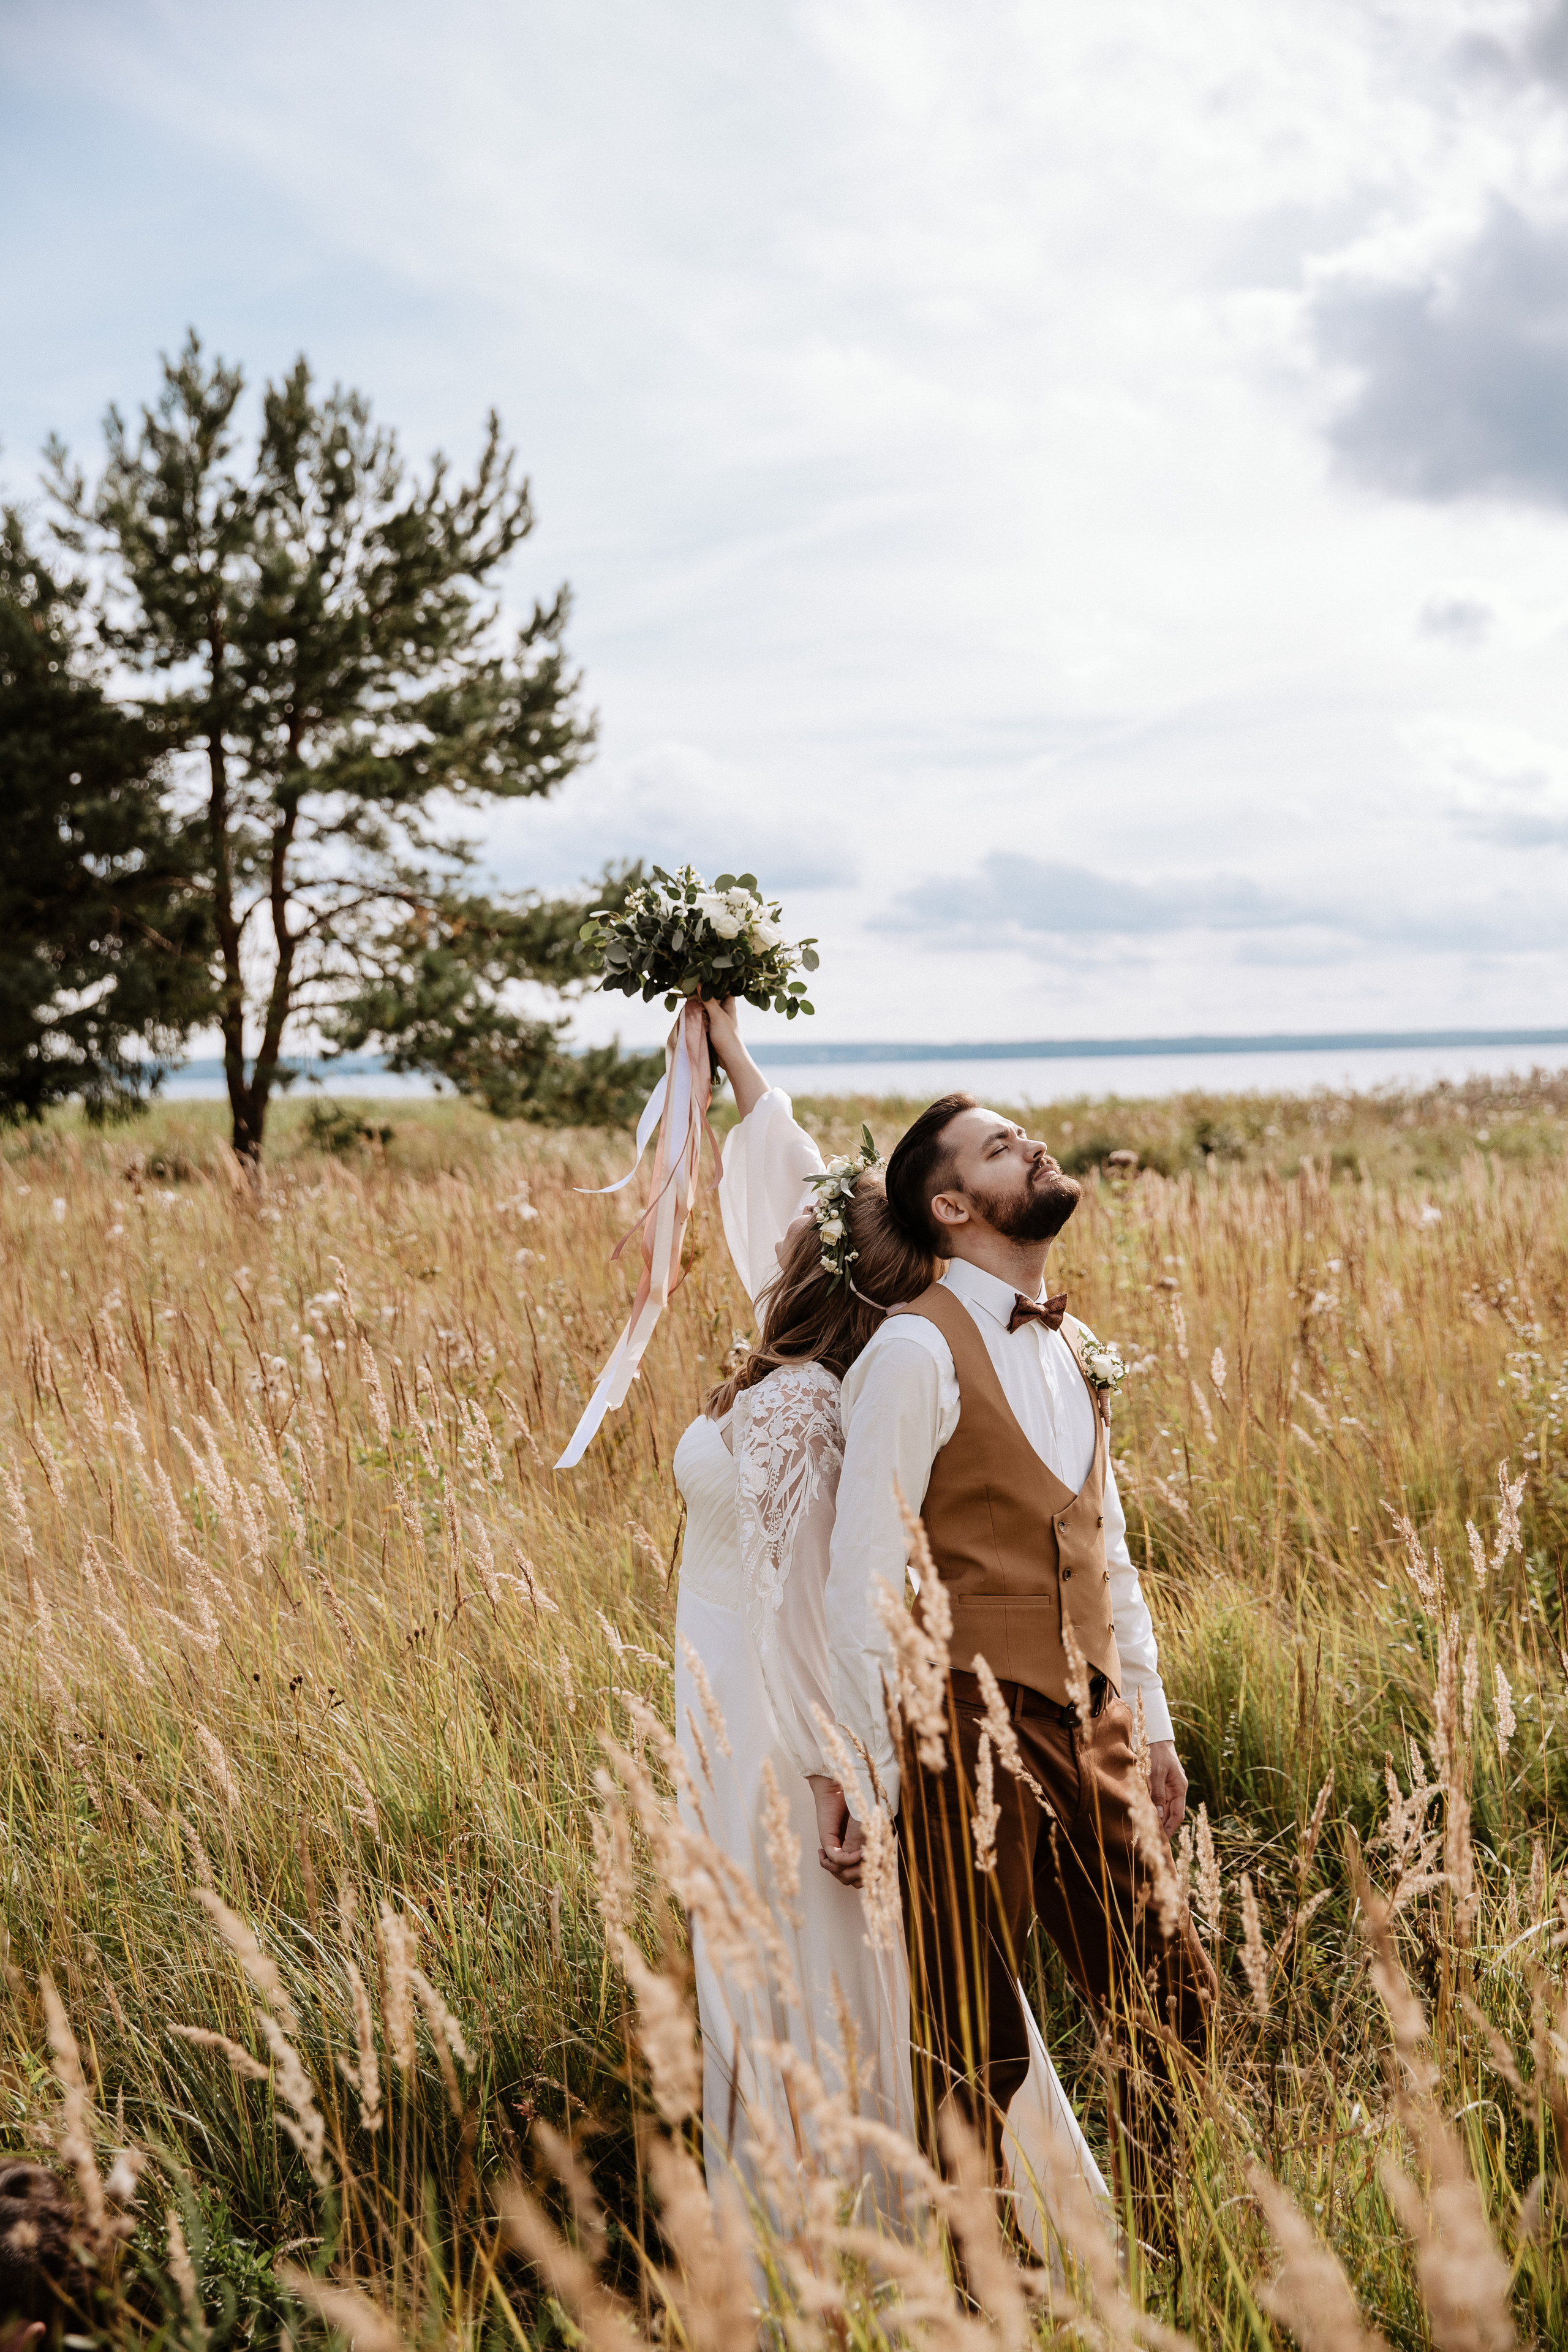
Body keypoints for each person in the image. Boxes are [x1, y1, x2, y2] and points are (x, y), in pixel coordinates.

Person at [673, 1016, 1109, 2249]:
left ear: (832, 1269)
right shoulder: (819, 1356)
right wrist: (731, 1058)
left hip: (773, 1722)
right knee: (792, 1969)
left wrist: (838, 1769)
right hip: (731, 1707)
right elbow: (796, 1183)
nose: (782, 1236)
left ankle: (844, 2230)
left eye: (808, 1234)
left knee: (806, 1973)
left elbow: (815, 1597)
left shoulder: (811, 1402)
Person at [821, 1093, 1215, 2227]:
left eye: (1022, 1135)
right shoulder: (911, 1352)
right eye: (1000, 1148)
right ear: (952, 1207)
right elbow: (865, 1582)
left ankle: (1170, 2255)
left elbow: (1110, 1551)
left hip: (1095, 1722)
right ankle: (977, 2285)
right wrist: (877, 1780)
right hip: (963, 1728)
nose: (1033, 1146)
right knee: (971, 2039)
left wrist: (1152, 1726)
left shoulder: (1077, 1347)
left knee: (1172, 1999)